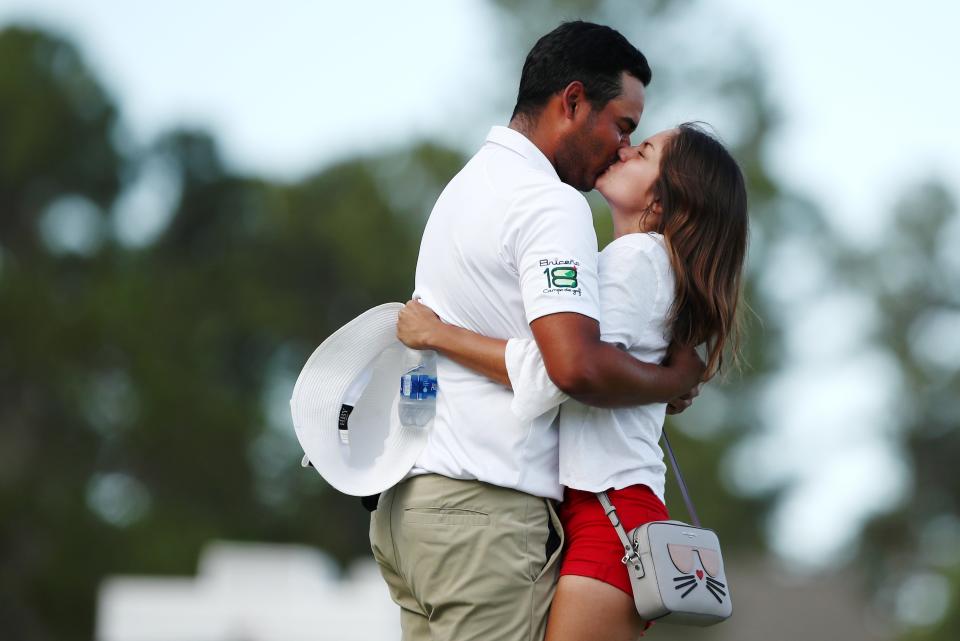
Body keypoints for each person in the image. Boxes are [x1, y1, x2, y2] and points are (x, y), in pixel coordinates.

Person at [368, 21, 705, 641]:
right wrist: (669, 379)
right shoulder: (551, 204)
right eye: (622, 126)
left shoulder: (464, 187)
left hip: (414, 510)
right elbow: (572, 366)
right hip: (483, 514)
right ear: (572, 102)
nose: (622, 146)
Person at [395, 122, 748, 640]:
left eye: (643, 150)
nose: (624, 148)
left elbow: (557, 372)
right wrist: (667, 381)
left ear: (667, 196)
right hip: (606, 510)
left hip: (608, 515)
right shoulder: (645, 266)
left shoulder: (635, 260)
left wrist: (438, 334)